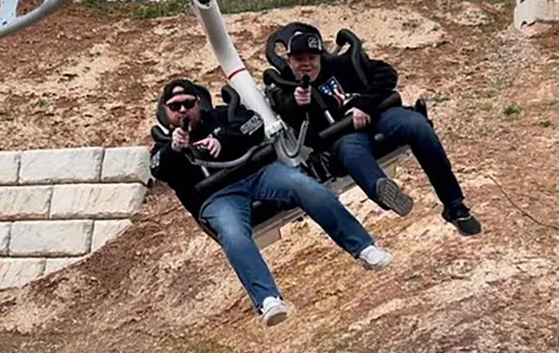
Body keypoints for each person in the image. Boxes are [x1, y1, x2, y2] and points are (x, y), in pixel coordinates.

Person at [149, 77, 395, 326]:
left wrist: (222, 140)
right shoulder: (164, 145)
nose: (182, 111)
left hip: (258, 175)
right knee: (232, 234)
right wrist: (176, 150)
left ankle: (363, 247)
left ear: (198, 104)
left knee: (305, 185)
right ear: (166, 112)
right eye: (175, 106)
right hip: (218, 197)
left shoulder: (224, 116)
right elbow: (160, 168)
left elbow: (253, 124)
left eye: (188, 103)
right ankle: (267, 299)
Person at [266, 27, 482, 236]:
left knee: (417, 126)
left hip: (378, 116)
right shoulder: (285, 89)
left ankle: (455, 206)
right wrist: (298, 103)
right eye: (299, 59)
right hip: (343, 136)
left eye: (312, 58)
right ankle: (384, 190)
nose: (306, 65)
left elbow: (387, 74)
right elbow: (290, 114)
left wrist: (363, 104)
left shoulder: (343, 64)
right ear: (289, 60)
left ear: (320, 57)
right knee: (352, 153)